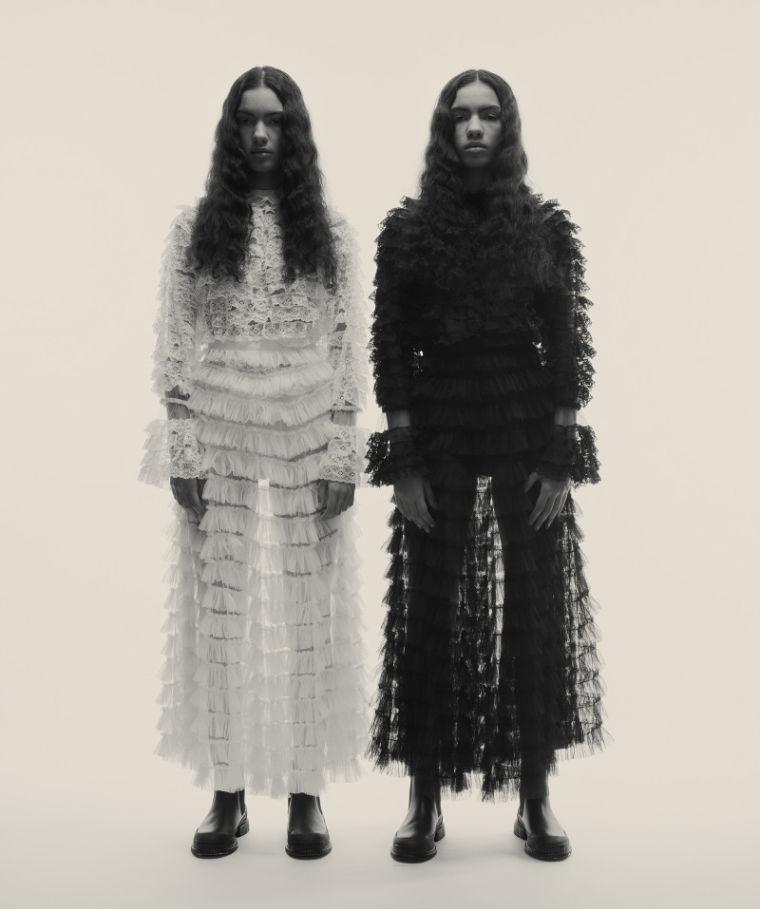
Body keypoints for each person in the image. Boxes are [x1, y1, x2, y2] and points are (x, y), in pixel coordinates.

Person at [365, 69, 604, 863]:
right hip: (438, 423)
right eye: (460, 116)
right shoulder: (408, 231)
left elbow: (566, 341)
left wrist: (561, 456)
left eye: (488, 115)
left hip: (523, 422)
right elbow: (392, 346)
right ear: (444, 130)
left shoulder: (543, 226)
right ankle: (423, 798)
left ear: (508, 128)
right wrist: (403, 461)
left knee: (532, 607)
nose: (474, 127)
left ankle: (535, 796)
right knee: (428, 608)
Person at [140, 66, 368, 860]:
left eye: (274, 120)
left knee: (310, 613)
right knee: (221, 612)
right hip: (220, 423)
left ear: (294, 131)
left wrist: (345, 449)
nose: (261, 133)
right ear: (231, 132)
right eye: (247, 120)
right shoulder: (194, 229)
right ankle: (227, 792)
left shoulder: (330, 231)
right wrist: (181, 445)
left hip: (308, 424)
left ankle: (306, 793)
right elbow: (176, 342)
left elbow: (348, 343)